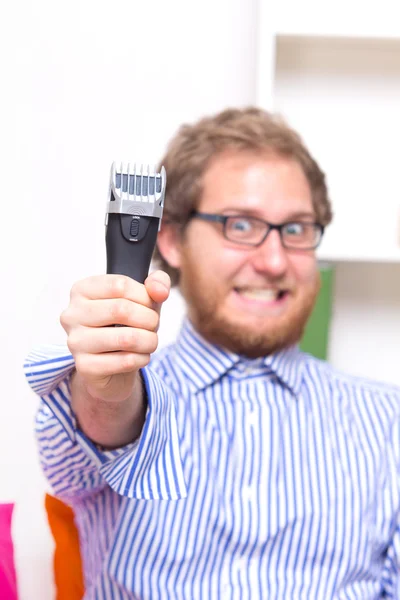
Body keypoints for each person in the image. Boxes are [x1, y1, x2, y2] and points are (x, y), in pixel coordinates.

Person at [24, 107, 400, 599]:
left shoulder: (388, 421)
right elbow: (97, 431)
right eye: (240, 225)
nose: (272, 261)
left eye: (296, 229)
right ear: (172, 240)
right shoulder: (115, 398)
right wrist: (109, 385)